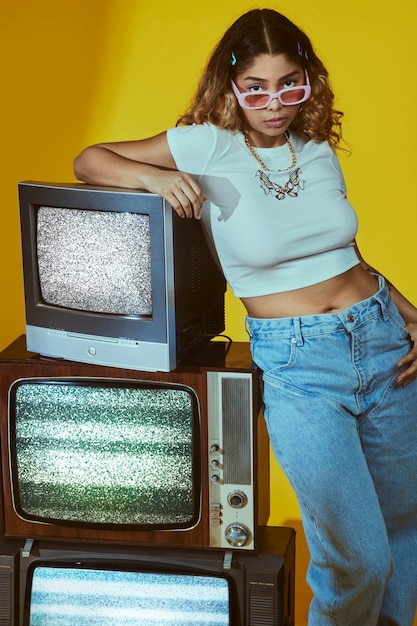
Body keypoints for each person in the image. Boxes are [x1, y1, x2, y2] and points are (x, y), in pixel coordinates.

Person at [73, 9, 417, 625]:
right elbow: (89, 160)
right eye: (256, 87)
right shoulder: (206, 142)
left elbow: (345, 254)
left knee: (403, 537)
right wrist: (152, 176)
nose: (274, 102)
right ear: (231, 85)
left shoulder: (316, 149)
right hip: (298, 363)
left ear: (308, 80)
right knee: (356, 559)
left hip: (384, 343)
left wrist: (410, 313)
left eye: (290, 83)